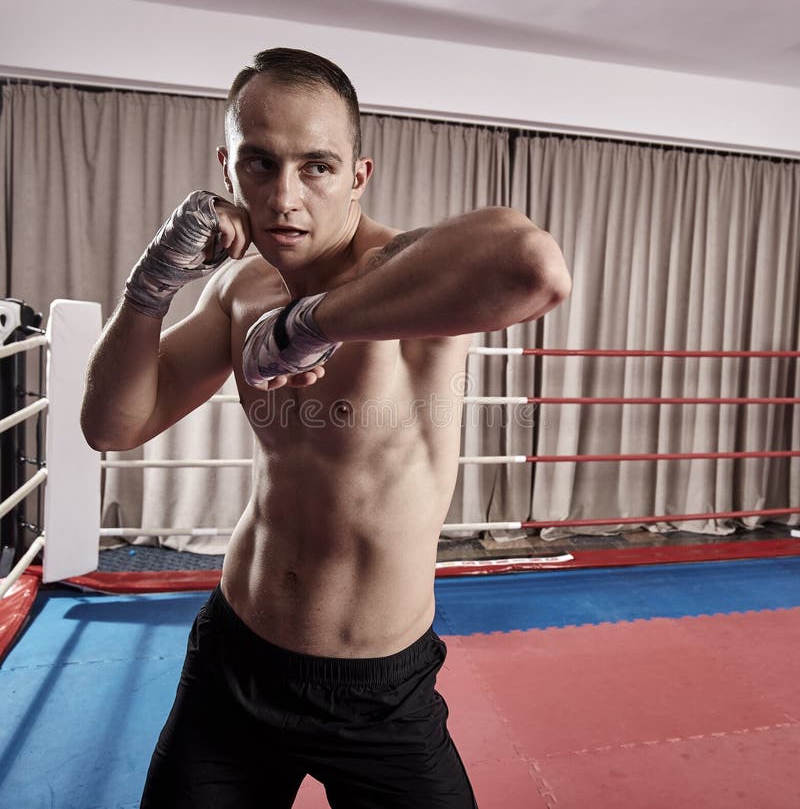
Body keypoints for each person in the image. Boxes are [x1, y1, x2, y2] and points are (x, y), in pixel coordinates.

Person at [81, 47, 571, 808]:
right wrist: (151, 282)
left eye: (316, 166)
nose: (285, 197)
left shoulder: (407, 276)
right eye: (260, 164)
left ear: (357, 176)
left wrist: (307, 326)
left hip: (379, 692)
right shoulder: (239, 288)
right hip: (234, 665)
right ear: (227, 166)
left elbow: (533, 266)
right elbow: (112, 426)